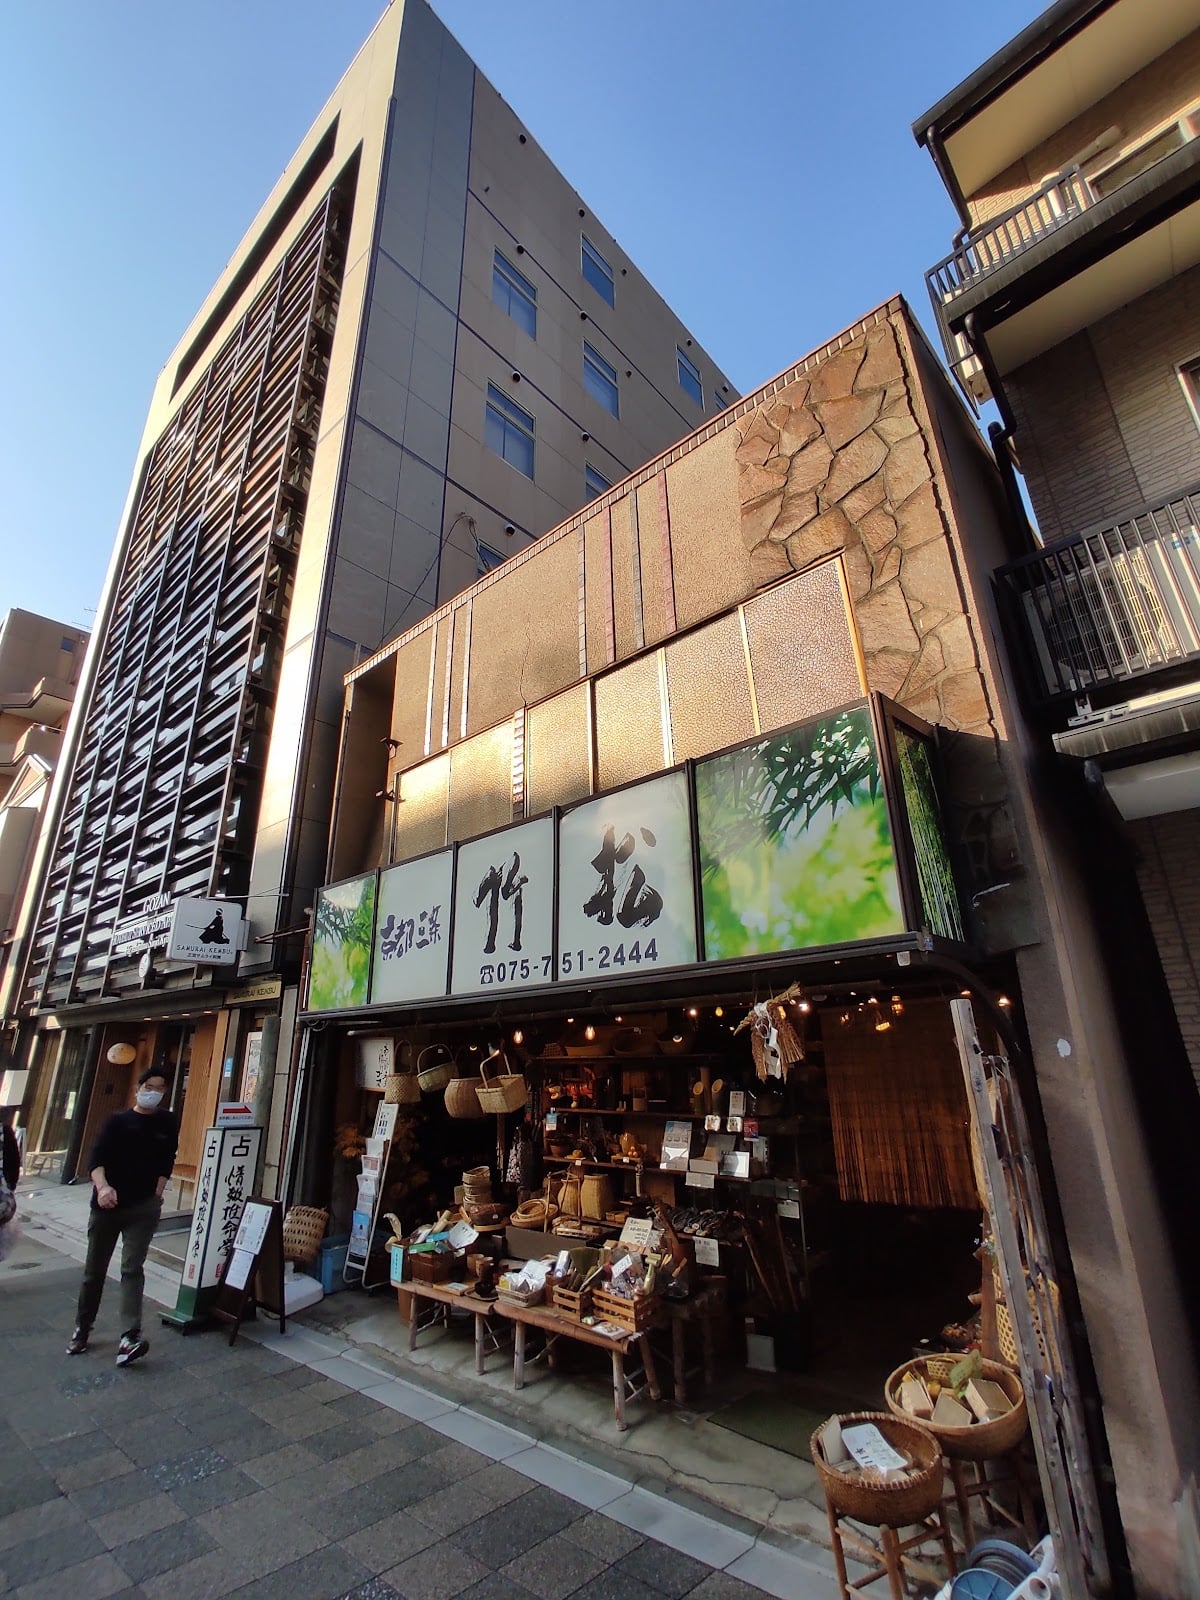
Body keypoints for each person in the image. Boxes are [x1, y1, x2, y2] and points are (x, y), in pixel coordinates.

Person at [68, 1067, 177, 1365]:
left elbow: (167, 1159)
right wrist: (103, 1188)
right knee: (94, 1271)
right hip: (108, 1206)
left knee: (132, 1268)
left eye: (160, 1088)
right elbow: (96, 1159)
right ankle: (83, 1328)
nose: (154, 1092)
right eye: (150, 1086)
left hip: (143, 1207)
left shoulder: (167, 1122)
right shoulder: (118, 1122)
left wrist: (157, 1194)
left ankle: (129, 1336)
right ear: (138, 1088)